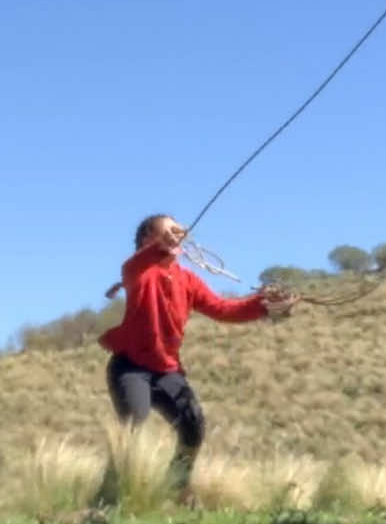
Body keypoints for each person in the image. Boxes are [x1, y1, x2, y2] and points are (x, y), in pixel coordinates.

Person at [98, 213, 296, 502]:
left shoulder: (188, 280)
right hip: (129, 367)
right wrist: (159, 248)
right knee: (133, 426)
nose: (176, 236)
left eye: (177, 231)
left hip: (167, 370)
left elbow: (223, 309)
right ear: (146, 241)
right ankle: (108, 499)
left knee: (193, 425)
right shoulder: (136, 271)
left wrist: (262, 306)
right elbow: (137, 263)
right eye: (167, 232)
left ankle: (175, 488)